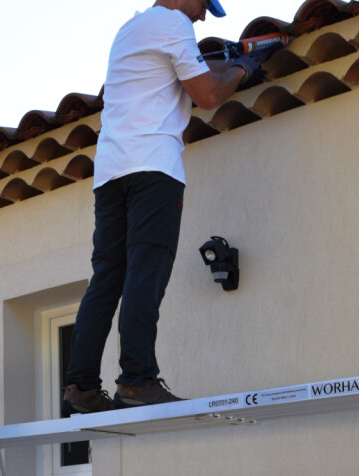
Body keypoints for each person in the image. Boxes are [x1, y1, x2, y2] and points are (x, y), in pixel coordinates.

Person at [63, 0, 273, 412]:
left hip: (111, 174)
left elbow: (185, 73)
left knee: (106, 280)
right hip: (153, 169)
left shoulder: (130, 30)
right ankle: (137, 381)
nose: (202, 16)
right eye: (203, 5)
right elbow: (208, 95)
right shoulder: (174, 23)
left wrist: (228, 60)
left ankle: (81, 388)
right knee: (147, 271)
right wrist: (243, 70)